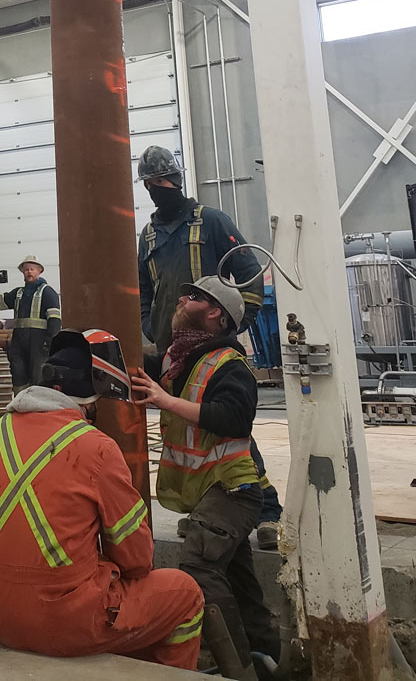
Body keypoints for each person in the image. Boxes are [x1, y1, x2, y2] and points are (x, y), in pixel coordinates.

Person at [0, 330, 205, 667]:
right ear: (91, 399)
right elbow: (137, 559)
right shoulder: (95, 447)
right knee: (184, 595)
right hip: (65, 621)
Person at [132, 276, 281, 678]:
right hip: (210, 491)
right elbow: (136, 365)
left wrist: (166, 401)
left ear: (216, 313)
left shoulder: (229, 364)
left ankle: (238, 669)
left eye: (194, 296)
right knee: (236, 574)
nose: (182, 298)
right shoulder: (177, 358)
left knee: (198, 564)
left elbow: (235, 418)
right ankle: (266, 655)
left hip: (234, 490)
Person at [136, 144, 283, 550]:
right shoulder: (148, 236)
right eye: (153, 182)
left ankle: (267, 511)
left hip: (213, 347)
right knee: (195, 437)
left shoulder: (211, 222)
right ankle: (210, 511)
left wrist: (239, 322)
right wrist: (152, 326)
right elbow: (144, 289)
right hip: (174, 348)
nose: (160, 188)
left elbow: (249, 273)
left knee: (231, 432)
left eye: (166, 180)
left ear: (177, 181)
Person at [0, 257, 61, 390]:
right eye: (26, 269)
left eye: (32, 269)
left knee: (39, 376)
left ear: (39, 271)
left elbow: (55, 321)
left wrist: (50, 342)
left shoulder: (48, 293)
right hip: (19, 343)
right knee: (18, 373)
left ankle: (38, 406)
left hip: (39, 344)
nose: (29, 272)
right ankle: (20, 403)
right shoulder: (18, 293)